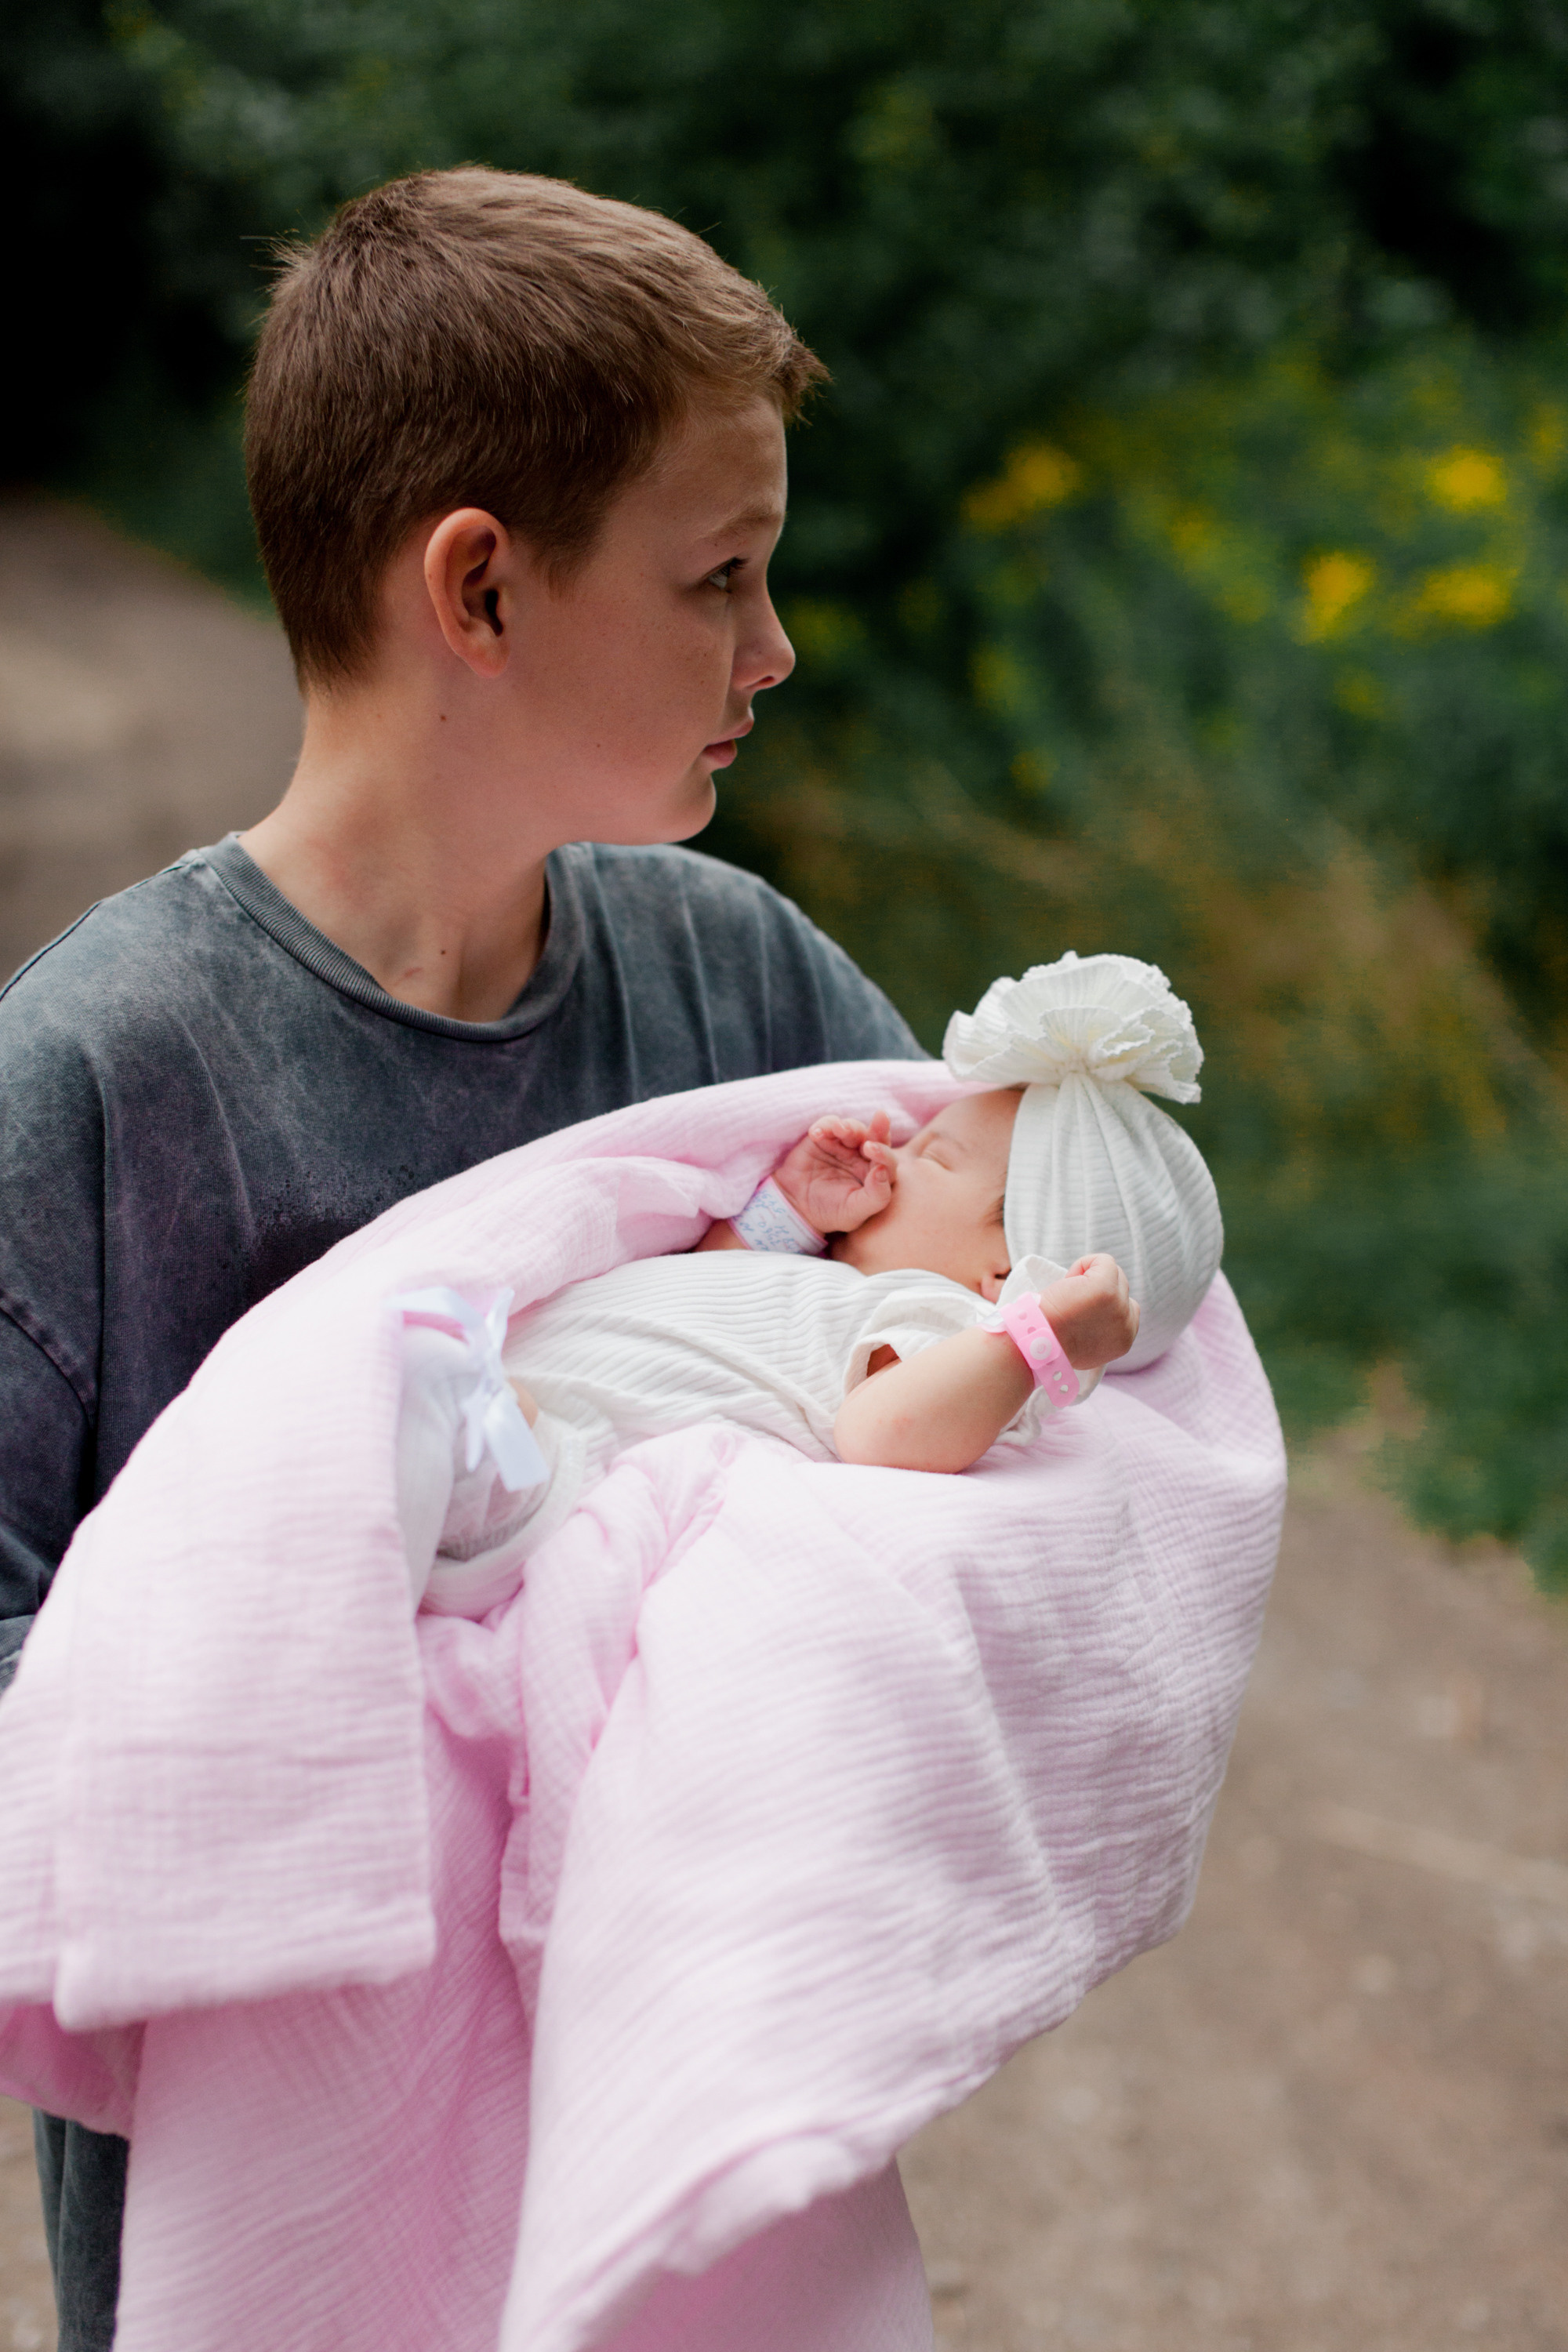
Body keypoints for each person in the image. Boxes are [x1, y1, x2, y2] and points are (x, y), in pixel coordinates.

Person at [0, 167, 921, 2352]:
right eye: (719, 579)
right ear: (481, 591)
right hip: (276, 2250)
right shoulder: (100, 1084)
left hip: (688, 2213)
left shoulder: (742, 989)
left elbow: (986, 1329)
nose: (773, 650)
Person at [399, 953, 1223, 1621]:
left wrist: (1032, 1339)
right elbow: (704, 1279)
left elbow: (884, 1431)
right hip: (522, 1402)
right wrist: (791, 1208)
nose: (891, 1151)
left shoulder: (944, 1328)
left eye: (932, 1157)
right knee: (412, 1363)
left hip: (547, 1485)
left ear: (1002, 1273)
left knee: (432, 1390)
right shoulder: (815, 1277)